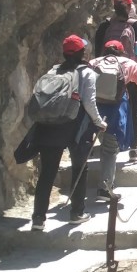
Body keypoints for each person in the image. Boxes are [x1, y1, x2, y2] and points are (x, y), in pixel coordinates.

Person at [30, 35, 106, 229]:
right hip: (76, 126)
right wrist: (99, 122)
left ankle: (38, 218)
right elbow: (89, 101)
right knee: (79, 168)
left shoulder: (53, 70)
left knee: (47, 172)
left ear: (64, 52)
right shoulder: (87, 73)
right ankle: (77, 212)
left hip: (50, 126)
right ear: (83, 52)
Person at [93, 0, 137, 163]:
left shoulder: (104, 26)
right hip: (129, 73)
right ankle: (133, 149)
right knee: (133, 109)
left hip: (104, 72)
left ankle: (106, 144)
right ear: (129, 6)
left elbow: (98, 50)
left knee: (102, 108)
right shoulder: (136, 27)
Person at [90, 40, 137, 198]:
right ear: (121, 51)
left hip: (92, 108)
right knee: (110, 149)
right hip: (115, 109)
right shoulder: (128, 63)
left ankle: (81, 191)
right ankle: (105, 187)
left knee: (93, 143)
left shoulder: (93, 63)